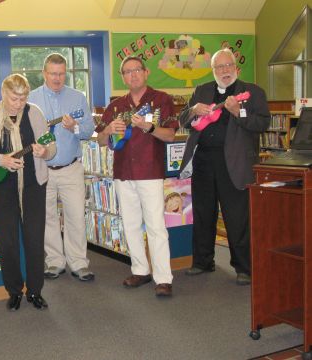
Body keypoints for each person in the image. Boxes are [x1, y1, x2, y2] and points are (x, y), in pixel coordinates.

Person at [179, 48, 271, 285]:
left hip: (236, 163)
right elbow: (183, 121)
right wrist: (192, 110)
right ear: (213, 70)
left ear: (236, 67)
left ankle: (243, 268)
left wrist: (237, 112)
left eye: (228, 65)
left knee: (237, 217)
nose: (224, 71)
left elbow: (262, 123)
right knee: (202, 213)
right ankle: (202, 261)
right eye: (219, 67)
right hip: (203, 162)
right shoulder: (202, 90)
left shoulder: (253, 92)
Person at [0, 73, 56, 311]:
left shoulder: (34, 113)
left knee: (34, 239)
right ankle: (14, 291)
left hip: (32, 186)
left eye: (23, 98)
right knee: (7, 241)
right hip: (1, 188)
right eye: (14, 98)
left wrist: (44, 152)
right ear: (3, 93)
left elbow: (51, 146)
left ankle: (36, 291)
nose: (19, 103)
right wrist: (1, 160)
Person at [97, 56, 177, 297]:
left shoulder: (161, 100)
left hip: (149, 172)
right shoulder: (115, 106)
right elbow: (101, 140)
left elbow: (171, 136)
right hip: (123, 173)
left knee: (156, 226)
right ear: (122, 77)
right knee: (130, 224)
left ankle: (163, 278)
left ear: (146, 72)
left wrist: (148, 127)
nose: (132, 75)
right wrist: (109, 130)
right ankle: (140, 270)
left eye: (136, 70)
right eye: (127, 72)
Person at [28, 53, 95, 281]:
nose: (57, 78)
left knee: (76, 215)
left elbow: (88, 131)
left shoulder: (78, 98)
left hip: (70, 167)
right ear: (44, 73)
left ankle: (78, 263)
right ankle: (55, 262)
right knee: (47, 217)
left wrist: (75, 126)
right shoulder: (30, 98)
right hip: (42, 168)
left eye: (61, 73)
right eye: (53, 73)